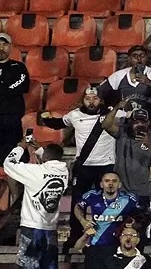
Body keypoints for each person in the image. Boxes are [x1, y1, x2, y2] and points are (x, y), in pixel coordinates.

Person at [39, 88, 111, 246]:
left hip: (106, 166)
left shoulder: (112, 114)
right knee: (78, 203)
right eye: (88, 99)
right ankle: (75, 236)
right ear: (82, 100)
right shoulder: (75, 115)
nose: (92, 102)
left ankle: (106, 235)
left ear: (101, 100)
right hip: (84, 166)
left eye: (95, 98)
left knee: (107, 203)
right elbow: (58, 124)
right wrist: (46, 118)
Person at [3, 144, 68, 269]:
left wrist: (20, 147)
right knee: (50, 268)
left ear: (45, 157)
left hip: (32, 227)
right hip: (50, 228)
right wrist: (38, 148)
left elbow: (8, 164)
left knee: (32, 268)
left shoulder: (35, 171)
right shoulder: (64, 171)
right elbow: (48, 161)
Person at [73, 171, 146, 269]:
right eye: (107, 181)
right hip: (95, 247)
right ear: (101, 184)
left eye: (114, 181)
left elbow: (143, 216)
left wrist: (134, 224)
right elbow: (78, 207)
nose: (110, 184)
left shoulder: (129, 199)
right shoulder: (92, 195)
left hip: (117, 248)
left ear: (120, 184)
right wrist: (83, 221)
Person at [102, 103, 151, 199]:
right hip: (121, 190)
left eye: (143, 122)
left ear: (148, 123)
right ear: (131, 122)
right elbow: (105, 125)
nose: (139, 125)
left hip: (142, 191)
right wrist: (116, 107)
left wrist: (149, 145)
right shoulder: (123, 133)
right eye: (136, 122)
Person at [97, 45, 151, 113]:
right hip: (125, 114)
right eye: (135, 56)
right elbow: (100, 91)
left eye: (142, 55)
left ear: (147, 58)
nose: (139, 58)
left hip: (149, 113)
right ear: (129, 59)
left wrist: (149, 82)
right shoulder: (119, 75)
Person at [0, 33, 28, 159]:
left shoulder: (19, 67)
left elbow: (22, 86)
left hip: (11, 118)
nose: (1, 48)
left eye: (4, 44)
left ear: (10, 46)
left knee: (12, 156)